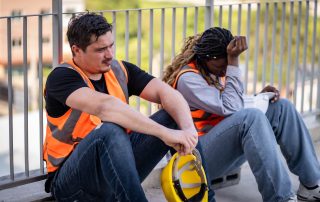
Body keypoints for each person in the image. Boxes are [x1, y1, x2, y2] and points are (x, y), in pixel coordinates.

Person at [42, 12, 200, 201]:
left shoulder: (118, 69)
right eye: (100, 49)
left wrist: (188, 131)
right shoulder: (62, 77)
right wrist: (165, 134)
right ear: (76, 50)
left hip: (115, 170)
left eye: (111, 46)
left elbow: (168, 94)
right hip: (73, 183)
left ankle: (205, 197)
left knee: (176, 117)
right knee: (109, 130)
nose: (110, 55)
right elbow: (105, 107)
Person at [163, 27, 320, 202]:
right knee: (250, 118)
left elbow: (228, 104)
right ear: (208, 58)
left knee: (281, 107)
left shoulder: (213, 70)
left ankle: (311, 186)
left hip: (220, 145)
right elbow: (232, 109)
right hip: (196, 158)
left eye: (227, 66)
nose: (225, 71)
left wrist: (259, 97)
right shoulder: (188, 79)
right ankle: (281, 198)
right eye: (222, 66)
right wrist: (233, 61)